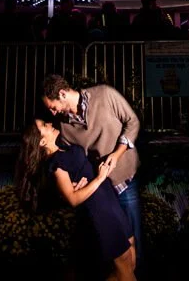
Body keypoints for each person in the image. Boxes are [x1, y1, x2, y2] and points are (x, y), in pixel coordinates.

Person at [42, 74, 142, 269]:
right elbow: (73, 159)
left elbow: (133, 122)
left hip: (125, 179)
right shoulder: (64, 127)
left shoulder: (105, 95)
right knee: (117, 255)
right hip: (102, 190)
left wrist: (117, 154)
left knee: (134, 242)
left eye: (52, 107)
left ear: (62, 94)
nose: (52, 114)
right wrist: (73, 183)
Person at [17, 119, 136, 280]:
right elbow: (72, 199)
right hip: (99, 209)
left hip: (109, 198)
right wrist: (100, 178)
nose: (50, 124)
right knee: (124, 264)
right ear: (42, 141)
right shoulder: (55, 164)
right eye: (45, 126)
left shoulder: (64, 148)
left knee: (131, 259)